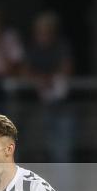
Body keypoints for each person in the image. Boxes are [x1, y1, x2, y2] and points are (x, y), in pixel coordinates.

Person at [24, 11, 76, 165]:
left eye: (47, 31)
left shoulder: (62, 46)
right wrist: (38, 79)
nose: (44, 35)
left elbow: (67, 68)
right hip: (38, 107)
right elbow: (24, 71)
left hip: (62, 106)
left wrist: (50, 78)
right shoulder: (32, 48)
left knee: (62, 152)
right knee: (39, 151)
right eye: (40, 31)